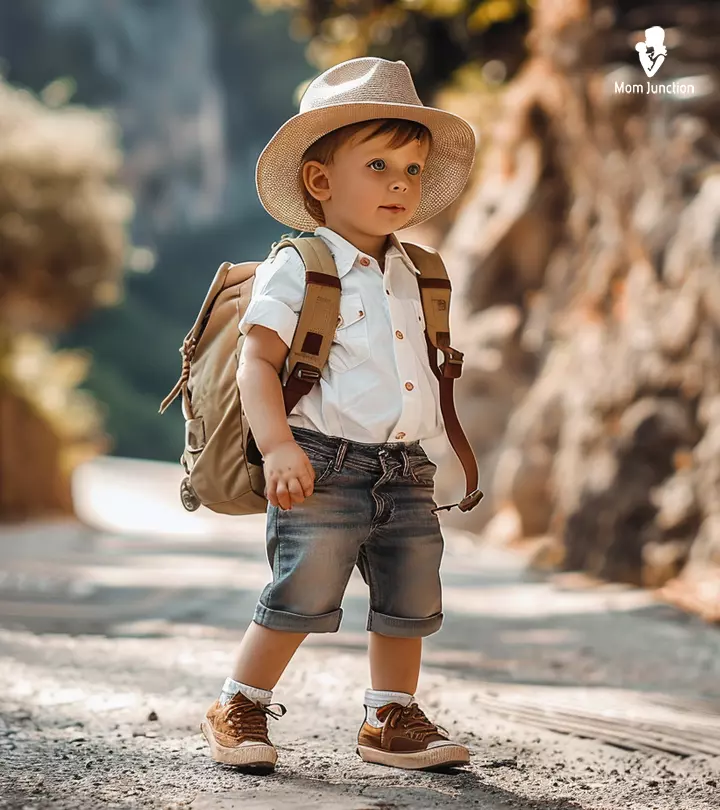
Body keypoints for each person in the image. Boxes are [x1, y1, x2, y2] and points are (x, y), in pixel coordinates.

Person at [201, 56, 477, 773]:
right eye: (379, 164)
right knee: (302, 589)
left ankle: (389, 716)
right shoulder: (299, 265)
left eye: (413, 171)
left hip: (406, 467)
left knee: (410, 595)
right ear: (320, 182)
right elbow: (257, 363)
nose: (399, 183)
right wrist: (278, 446)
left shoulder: (420, 271)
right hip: (321, 462)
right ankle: (241, 703)